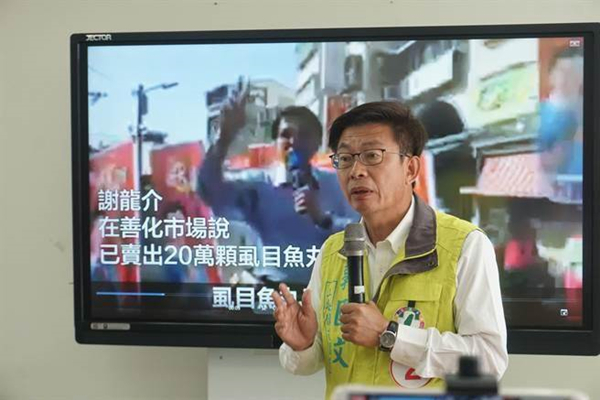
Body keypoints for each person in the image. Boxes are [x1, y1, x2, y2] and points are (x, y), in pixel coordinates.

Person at [272, 101, 508, 399]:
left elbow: (489, 360)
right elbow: (312, 360)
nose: (356, 171)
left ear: (410, 168)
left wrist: (391, 336)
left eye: (372, 156)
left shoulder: (465, 245)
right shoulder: (334, 251)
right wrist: (302, 343)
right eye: (345, 158)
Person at [198, 83, 358, 284]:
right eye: (285, 135)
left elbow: (362, 235)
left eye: (304, 135)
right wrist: (224, 139)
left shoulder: (337, 183)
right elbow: (210, 191)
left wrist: (323, 219)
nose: (294, 142)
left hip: (324, 293)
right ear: (275, 143)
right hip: (272, 293)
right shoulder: (258, 185)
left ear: (318, 143)